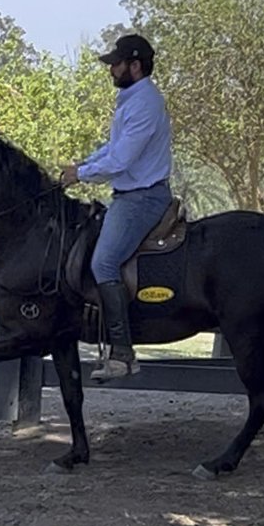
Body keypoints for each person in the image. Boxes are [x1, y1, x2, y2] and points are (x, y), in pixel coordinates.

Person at [61, 33, 173, 380]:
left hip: (142, 197)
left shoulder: (144, 104)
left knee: (104, 262)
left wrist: (80, 175)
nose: (111, 70)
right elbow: (111, 149)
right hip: (130, 195)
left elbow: (122, 159)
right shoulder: (133, 100)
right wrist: (82, 165)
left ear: (135, 66)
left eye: (116, 64)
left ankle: (123, 353)